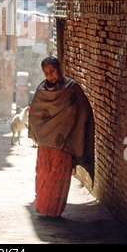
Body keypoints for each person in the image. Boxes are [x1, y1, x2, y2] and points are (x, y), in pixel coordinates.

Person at [28, 56, 94, 218]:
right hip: (45, 144)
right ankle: (43, 204)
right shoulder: (41, 90)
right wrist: (41, 132)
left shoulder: (72, 88)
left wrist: (73, 132)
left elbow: (84, 111)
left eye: (52, 71)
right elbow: (34, 115)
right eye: (46, 73)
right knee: (43, 175)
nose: (49, 76)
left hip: (65, 143)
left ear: (60, 69)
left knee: (59, 177)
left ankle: (53, 210)